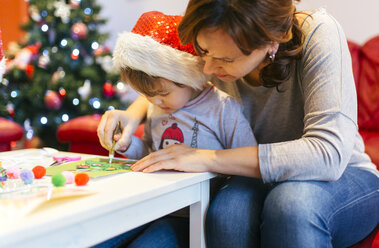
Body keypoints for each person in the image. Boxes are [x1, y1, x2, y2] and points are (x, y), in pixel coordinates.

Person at [97, 0, 379, 247]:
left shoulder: (319, 32)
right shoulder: (215, 31)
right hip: (253, 179)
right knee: (228, 213)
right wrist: (133, 114)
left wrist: (206, 158)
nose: (207, 69)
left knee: (292, 204)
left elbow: (327, 154)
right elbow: (180, 85)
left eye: (225, 59)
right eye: (202, 51)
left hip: (342, 177)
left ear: (272, 41)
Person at [111, 11, 257, 161]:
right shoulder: (156, 106)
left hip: (212, 185)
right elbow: (151, 152)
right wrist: (128, 145)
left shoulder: (223, 107)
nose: (155, 101)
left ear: (189, 79)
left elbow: (246, 159)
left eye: (164, 93)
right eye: (147, 95)